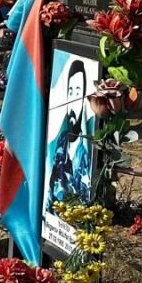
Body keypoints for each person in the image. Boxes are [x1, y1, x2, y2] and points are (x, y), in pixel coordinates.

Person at [47, 60, 90, 204]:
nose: (72, 100)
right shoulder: (61, 142)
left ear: (84, 97)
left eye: (77, 92)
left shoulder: (85, 153)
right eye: (70, 92)